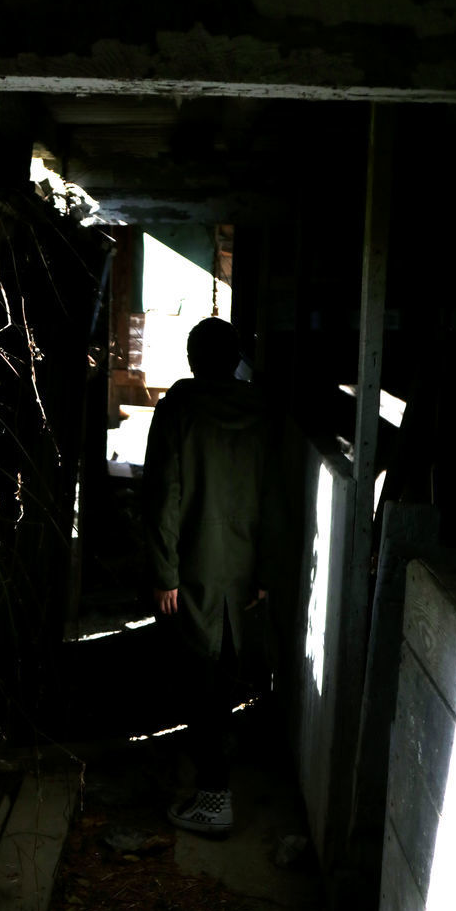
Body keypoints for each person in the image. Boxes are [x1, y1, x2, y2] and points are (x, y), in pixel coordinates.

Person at [142, 316, 271, 837]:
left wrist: (163, 572)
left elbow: (162, 494)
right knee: (229, 671)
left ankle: (215, 797)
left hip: (192, 566)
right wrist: (263, 570)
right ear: (236, 357)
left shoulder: (179, 409)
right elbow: (274, 495)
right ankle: (220, 766)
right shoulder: (259, 409)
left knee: (199, 680)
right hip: (242, 565)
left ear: (194, 359)